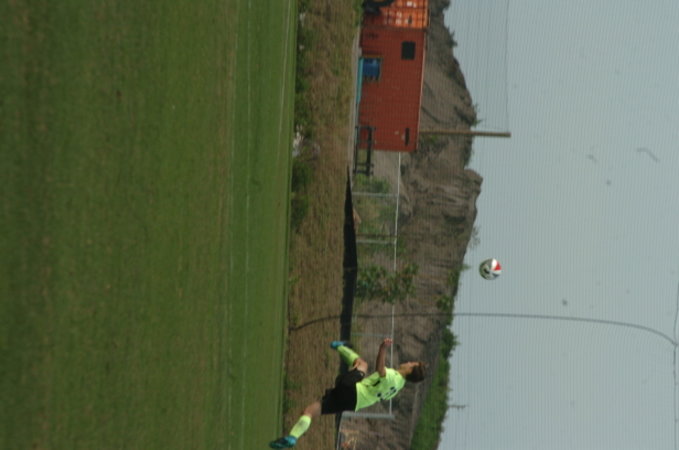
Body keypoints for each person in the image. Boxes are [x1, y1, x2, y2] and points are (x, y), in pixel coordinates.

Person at [269, 338, 426, 448]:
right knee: (310, 411)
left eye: (411, 363)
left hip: (353, 390)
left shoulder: (395, 376)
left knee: (362, 364)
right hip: (352, 404)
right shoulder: (398, 387)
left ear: (410, 369)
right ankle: (292, 437)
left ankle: (338, 346)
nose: (408, 362)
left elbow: (380, 370)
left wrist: (382, 348)